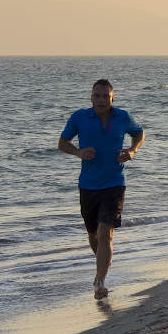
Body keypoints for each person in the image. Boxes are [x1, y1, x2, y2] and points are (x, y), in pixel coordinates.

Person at [58, 79, 145, 299]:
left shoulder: (123, 117)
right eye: (97, 96)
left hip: (115, 183)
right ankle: (103, 262)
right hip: (88, 185)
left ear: (112, 98)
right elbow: (62, 143)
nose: (101, 100)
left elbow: (139, 133)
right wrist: (78, 152)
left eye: (105, 96)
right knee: (93, 235)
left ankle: (100, 281)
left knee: (105, 231)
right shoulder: (79, 117)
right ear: (91, 97)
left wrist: (132, 150)